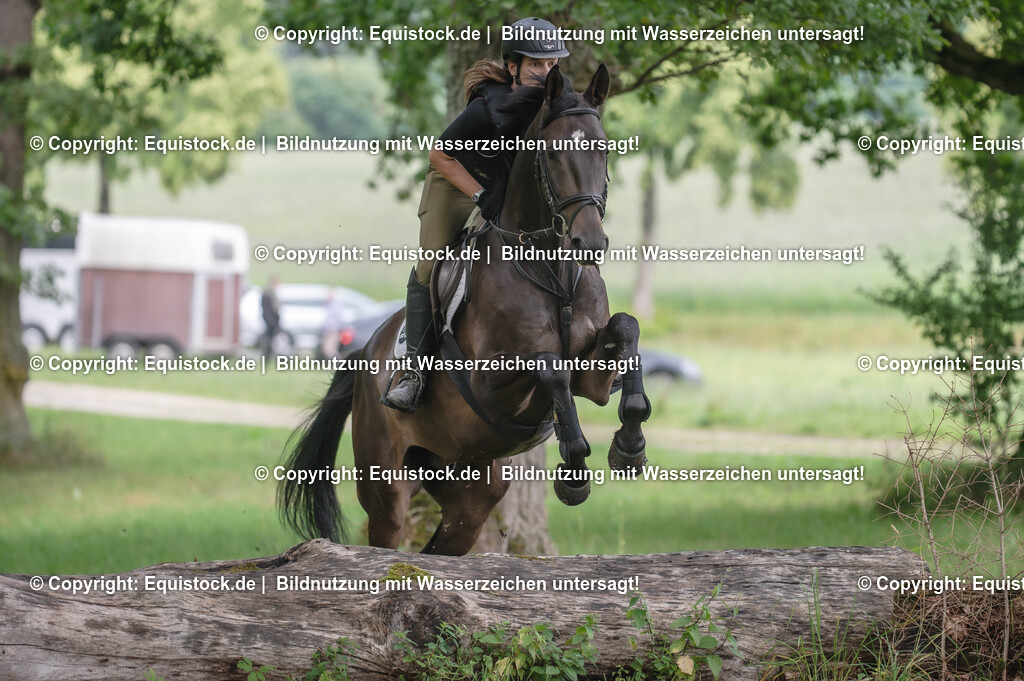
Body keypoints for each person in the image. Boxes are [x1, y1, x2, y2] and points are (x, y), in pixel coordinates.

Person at [382, 17, 569, 413]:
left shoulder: (554, 104)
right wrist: (480, 194)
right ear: (513, 67)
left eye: (553, 64)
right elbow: (439, 154)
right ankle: (414, 372)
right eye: (536, 65)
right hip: (456, 181)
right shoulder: (486, 110)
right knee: (431, 265)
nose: (547, 72)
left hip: (503, 186)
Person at [260, 275, 281, 356]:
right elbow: (267, 310)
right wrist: (271, 322)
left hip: (273, 321)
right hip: (270, 321)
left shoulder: (273, 293)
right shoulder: (267, 294)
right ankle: (267, 354)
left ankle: (269, 353)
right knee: (268, 339)